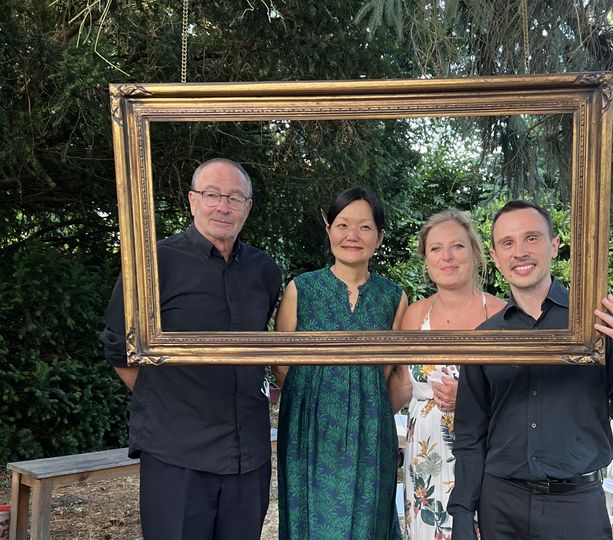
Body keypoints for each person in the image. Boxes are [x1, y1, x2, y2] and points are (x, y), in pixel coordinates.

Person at [447, 200, 613, 540]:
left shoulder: (596, 326)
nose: (520, 252)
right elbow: (470, 436)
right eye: (508, 243)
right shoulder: (486, 338)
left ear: (554, 245)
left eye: (531, 238)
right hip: (500, 506)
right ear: (496, 256)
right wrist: (461, 512)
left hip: (577, 508)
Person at [100, 158, 282, 540]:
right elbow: (119, 350)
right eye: (212, 195)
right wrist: (166, 400)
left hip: (248, 457)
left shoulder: (264, 270)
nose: (223, 206)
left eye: (235, 198)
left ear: (248, 207)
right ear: (192, 200)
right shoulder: (153, 265)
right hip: (177, 456)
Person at [274, 187, 408, 540]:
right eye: (343, 224)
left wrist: (362, 405)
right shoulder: (300, 289)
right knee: (309, 520)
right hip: (308, 429)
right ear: (329, 229)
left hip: (370, 428)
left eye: (365, 227)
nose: (352, 235)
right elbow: (282, 363)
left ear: (379, 236)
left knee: (368, 519)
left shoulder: (394, 297)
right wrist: (316, 402)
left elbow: (389, 370)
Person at [388, 209, 505, 539]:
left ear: (475, 252)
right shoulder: (415, 315)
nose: (447, 256)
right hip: (425, 457)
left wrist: (470, 399)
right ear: (426, 259)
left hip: (485, 454)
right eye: (436, 248)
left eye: (457, 246)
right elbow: (402, 385)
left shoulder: (501, 314)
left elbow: (520, 397)